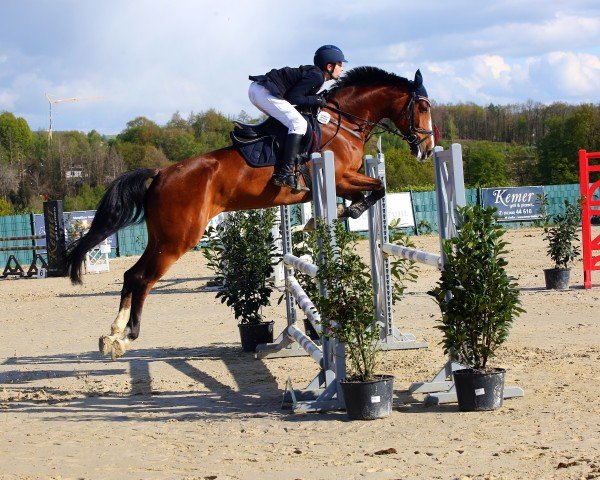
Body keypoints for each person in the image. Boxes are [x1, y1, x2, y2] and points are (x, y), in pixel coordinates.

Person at [248, 45, 347, 190]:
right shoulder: (317, 76)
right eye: (340, 64)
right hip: (263, 92)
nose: (342, 68)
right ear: (329, 66)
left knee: (291, 121)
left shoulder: (316, 75)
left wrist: (314, 100)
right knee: (299, 123)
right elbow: (293, 98)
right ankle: (285, 173)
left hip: (260, 90)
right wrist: (316, 100)